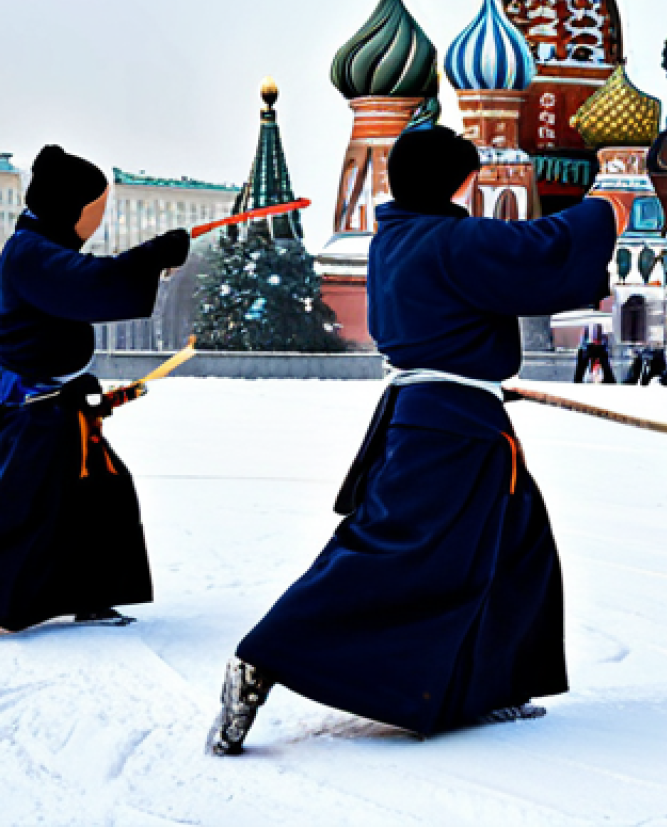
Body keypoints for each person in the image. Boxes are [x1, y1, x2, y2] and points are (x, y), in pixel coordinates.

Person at [206, 125, 622, 755]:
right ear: (451, 181)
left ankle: (488, 684)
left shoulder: (395, 237)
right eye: (468, 177)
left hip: (439, 413)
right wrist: (603, 209)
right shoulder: (450, 239)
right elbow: (543, 248)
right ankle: (262, 658)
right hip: (451, 428)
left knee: (514, 547)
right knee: (391, 554)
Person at [0, 145, 190, 634]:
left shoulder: (41, 249)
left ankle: (89, 595)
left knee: (100, 497)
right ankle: (7, 606)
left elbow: (90, 277)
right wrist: (154, 255)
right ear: (70, 206)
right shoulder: (31, 253)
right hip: (30, 412)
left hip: (56, 407)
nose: (98, 222)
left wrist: (153, 258)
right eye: (95, 211)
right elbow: (93, 282)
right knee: (29, 510)